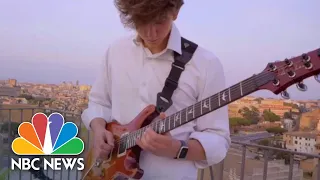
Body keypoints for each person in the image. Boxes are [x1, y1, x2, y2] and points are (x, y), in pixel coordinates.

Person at [81, 0, 231, 179]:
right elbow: (99, 101)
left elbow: (218, 139)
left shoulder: (206, 64)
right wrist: (98, 130)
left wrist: (176, 148)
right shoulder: (115, 51)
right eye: (142, 21)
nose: (150, 33)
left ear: (175, 12)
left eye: (159, 21)